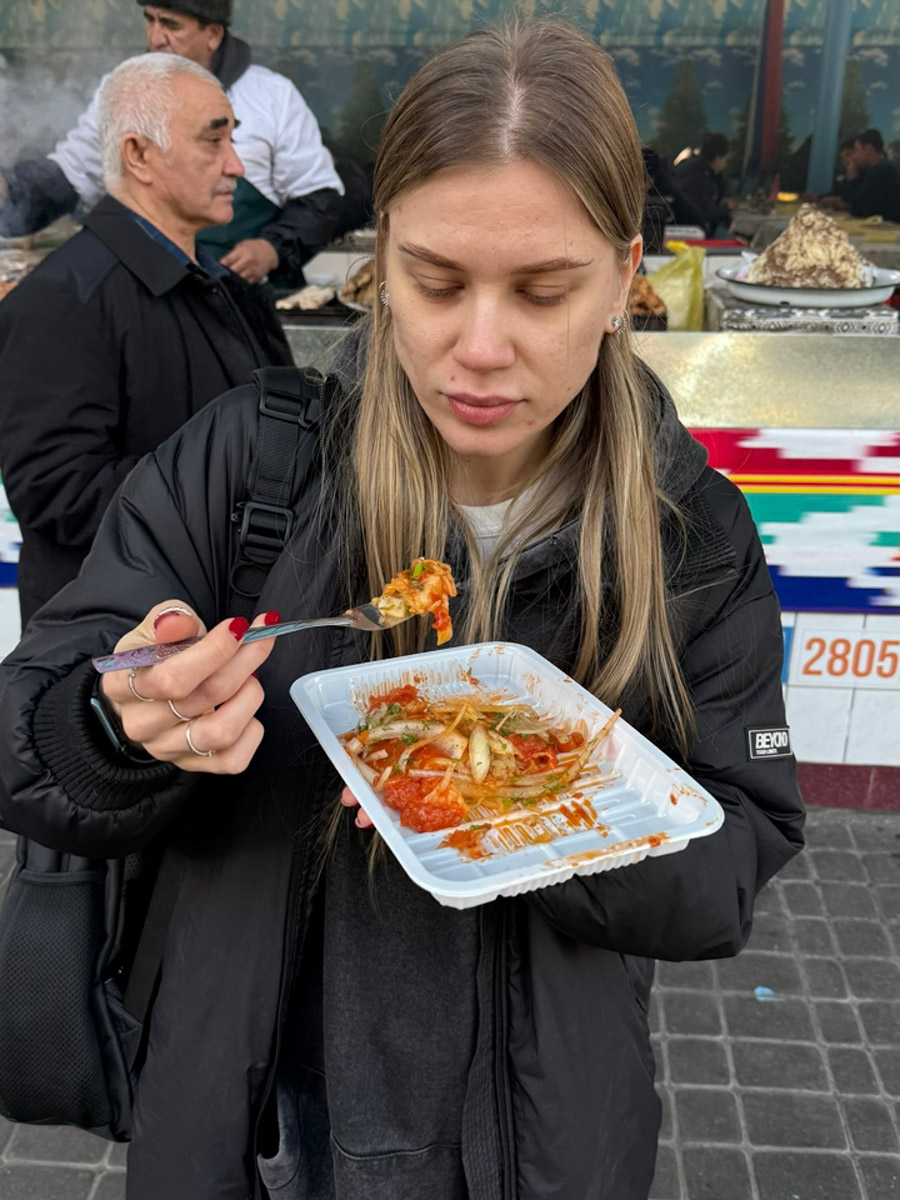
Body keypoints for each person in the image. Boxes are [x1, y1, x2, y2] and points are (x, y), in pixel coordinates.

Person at [0, 20, 804, 1200]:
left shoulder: (690, 535)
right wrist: (121, 726)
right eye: (434, 282)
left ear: (626, 280)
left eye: (543, 290)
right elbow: (31, 728)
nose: (480, 349)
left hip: (534, 1146)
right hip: (256, 1126)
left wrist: (528, 821)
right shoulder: (250, 467)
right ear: (385, 265)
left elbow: (739, 857)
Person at [0, 53, 292, 625]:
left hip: (233, 631)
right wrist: (246, 502)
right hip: (124, 656)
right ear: (138, 154)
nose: (236, 166)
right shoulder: (61, 301)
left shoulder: (230, 286)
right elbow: (62, 493)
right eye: (214, 142)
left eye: (233, 141)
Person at [0, 1, 351, 285]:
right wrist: (12, 190)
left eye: (171, 25)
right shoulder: (122, 91)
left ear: (213, 34)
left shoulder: (273, 96)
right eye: (150, 20)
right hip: (146, 295)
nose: (155, 37)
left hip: (248, 296)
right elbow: (73, 172)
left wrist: (272, 249)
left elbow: (320, 197)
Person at [673, 132, 732, 237]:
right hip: (690, 234)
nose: (725, 165)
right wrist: (726, 212)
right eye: (726, 160)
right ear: (718, 158)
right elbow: (704, 211)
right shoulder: (701, 177)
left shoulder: (690, 167)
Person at [845, 128, 900, 223]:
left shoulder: (882, 171)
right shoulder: (881, 168)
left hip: (889, 231)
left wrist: (852, 179)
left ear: (869, 149)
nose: (854, 156)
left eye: (857, 150)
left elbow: (859, 209)